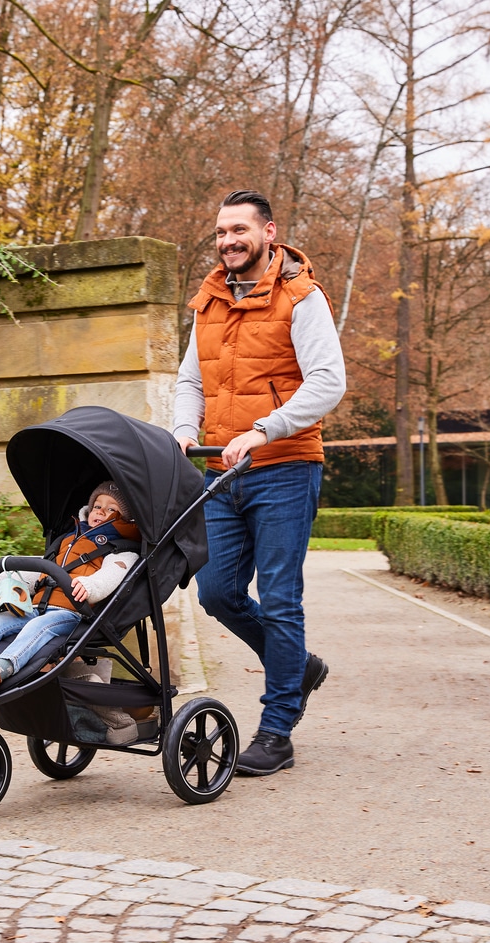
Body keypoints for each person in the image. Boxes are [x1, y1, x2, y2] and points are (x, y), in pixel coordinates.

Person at [173, 189, 346, 777]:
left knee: (278, 599)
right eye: (221, 232)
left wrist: (266, 429)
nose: (228, 241)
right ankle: (295, 666)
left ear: (269, 232)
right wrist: (181, 429)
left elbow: (327, 382)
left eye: (240, 230)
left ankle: (278, 729)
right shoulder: (208, 300)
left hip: (286, 468)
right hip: (222, 469)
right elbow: (190, 381)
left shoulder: (302, 297)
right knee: (217, 591)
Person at [0, 482, 140, 698]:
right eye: (97, 505)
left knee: (39, 627)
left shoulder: (121, 549)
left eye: (111, 509)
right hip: (37, 605)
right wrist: (2, 581)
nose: (100, 511)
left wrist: (91, 586)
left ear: (126, 519)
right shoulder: (67, 541)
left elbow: (113, 575)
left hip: (72, 613)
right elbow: (40, 569)